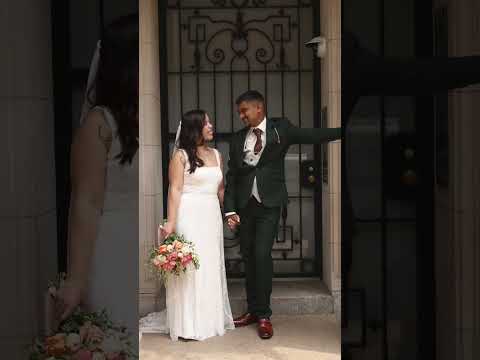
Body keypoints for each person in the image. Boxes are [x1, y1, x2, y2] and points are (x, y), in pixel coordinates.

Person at [224, 90, 341, 339]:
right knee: (248, 256)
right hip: (244, 207)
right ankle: (253, 311)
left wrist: (343, 131)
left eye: (244, 110)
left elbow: (313, 135)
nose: (241, 116)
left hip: (270, 204)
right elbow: (232, 176)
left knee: (261, 254)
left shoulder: (282, 129)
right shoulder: (237, 139)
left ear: (259, 108)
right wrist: (230, 210)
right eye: (239, 112)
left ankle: (264, 315)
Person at [54, 14, 139, 351]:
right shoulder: (98, 124)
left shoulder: (146, 115)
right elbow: (85, 203)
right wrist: (75, 281)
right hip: (113, 248)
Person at [139, 110, 235, 341]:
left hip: (211, 215)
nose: (211, 126)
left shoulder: (217, 154)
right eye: (206, 122)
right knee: (191, 269)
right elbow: (175, 190)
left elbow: (221, 189)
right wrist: (171, 223)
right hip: (189, 214)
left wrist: (229, 214)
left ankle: (208, 321)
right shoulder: (180, 157)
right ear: (195, 128)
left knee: (210, 266)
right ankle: (188, 326)